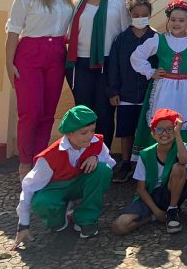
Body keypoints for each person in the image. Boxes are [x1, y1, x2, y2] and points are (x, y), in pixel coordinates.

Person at [5, 0, 75, 179]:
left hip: (56, 54)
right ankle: (25, 162)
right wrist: (9, 62)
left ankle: (39, 159)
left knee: (47, 113)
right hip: (29, 54)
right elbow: (14, 31)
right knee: (30, 112)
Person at [131, 0, 187, 171]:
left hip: (185, 89)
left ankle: (185, 165)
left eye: (181, 20)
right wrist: (150, 71)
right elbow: (137, 56)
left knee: (183, 123)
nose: (177, 23)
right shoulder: (158, 39)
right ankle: (154, 163)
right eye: (173, 19)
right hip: (162, 88)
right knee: (158, 122)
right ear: (168, 21)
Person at [13, 105, 115, 247]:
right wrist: (23, 224)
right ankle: (60, 220)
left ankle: (86, 219)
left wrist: (97, 158)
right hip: (56, 188)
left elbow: (111, 163)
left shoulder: (96, 143)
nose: (90, 136)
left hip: (79, 183)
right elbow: (29, 186)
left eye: (92, 130)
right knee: (42, 203)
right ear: (69, 134)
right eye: (84, 133)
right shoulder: (49, 156)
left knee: (103, 170)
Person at [65, 0, 130, 149]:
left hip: (107, 63)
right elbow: (70, 32)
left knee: (105, 113)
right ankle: (83, 153)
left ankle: (102, 155)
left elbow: (127, 30)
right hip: (80, 64)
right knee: (83, 113)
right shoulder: (78, 2)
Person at [112, 108, 187, 235]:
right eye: (159, 129)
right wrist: (156, 211)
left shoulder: (181, 147)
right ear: (153, 133)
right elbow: (141, 189)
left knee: (179, 167)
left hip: (169, 194)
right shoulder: (145, 154)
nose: (164, 133)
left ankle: (172, 209)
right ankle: (153, 217)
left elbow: (183, 160)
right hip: (150, 196)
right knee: (119, 226)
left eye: (169, 129)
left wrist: (177, 134)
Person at [107, 0, 157, 182]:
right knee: (126, 130)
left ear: (150, 14)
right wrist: (113, 90)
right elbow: (113, 66)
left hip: (148, 94)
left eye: (144, 14)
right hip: (126, 93)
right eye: (136, 14)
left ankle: (146, 164)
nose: (140, 17)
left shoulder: (156, 38)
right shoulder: (121, 39)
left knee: (147, 130)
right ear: (130, 14)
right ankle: (126, 163)